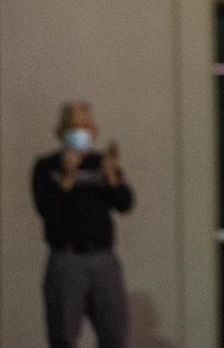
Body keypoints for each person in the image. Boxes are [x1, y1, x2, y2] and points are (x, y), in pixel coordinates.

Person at [32, 101, 134, 348]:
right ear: (62, 130)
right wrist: (66, 179)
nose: (81, 132)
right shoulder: (47, 166)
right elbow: (45, 208)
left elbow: (125, 203)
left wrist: (112, 178)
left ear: (95, 131)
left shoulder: (102, 164)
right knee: (64, 336)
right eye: (75, 126)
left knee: (115, 335)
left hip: (103, 258)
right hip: (67, 259)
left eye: (86, 126)